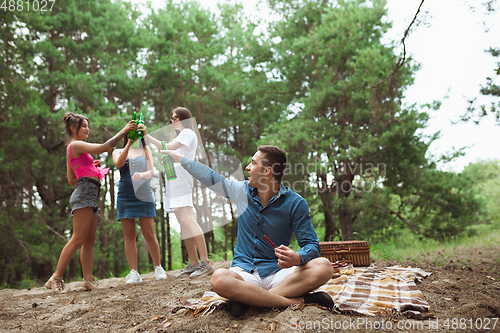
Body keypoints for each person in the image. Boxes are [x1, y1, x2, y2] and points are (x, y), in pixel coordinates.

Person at [164, 145, 334, 317]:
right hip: (244, 274)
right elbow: (211, 177)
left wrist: (297, 257)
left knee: (323, 266)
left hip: (279, 274)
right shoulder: (240, 191)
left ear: (267, 171)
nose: (247, 167)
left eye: (253, 163)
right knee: (219, 279)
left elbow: (312, 245)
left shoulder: (296, 203)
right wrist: (180, 158)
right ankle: (295, 301)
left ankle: (251, 300)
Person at [45, 112, 136, 293]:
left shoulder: (75, 149)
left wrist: (90, 167)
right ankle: (55, 277)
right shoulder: (76, 144)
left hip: (90, 191)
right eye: (84, 126)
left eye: (88, 125)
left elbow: (72, 180)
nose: (88, 129)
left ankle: (87, 279)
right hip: (85, 192)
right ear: (73, 128)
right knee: (78, 238)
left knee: (89, 240)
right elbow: (105, 146)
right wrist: (124, 130)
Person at [143, 107, 214, 278]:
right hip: (173, 178)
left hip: (182, 176)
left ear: (184, 118)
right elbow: (170, 151)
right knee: (182, 222)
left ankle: (205, 262)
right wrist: (168, 156)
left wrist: (147, 135)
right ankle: (193, 263)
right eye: (171, 119)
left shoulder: (188, 133)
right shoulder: (182, 136)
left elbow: (167, 146)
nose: (173, 121)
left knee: (188, 219)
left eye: (176, 118)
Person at [112, 136, 168, 283]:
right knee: (129, 236)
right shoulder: (118, 151)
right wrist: (128, 145)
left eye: (137, 132)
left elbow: (151, 171)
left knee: (149, 233)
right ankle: (134, 272)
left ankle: (158, 268)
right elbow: (119, 163)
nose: (135, 135)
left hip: (144, 193)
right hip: (125, 195)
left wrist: (141, 175)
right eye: (131, 132)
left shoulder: (145, 149)